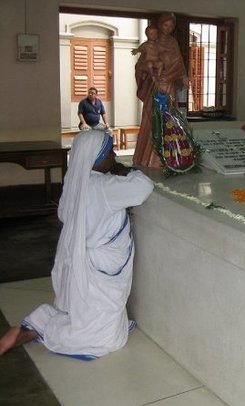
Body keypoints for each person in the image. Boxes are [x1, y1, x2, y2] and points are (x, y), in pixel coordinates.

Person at [0, 130, 154, 359]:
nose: (113, 156)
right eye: (109, 152)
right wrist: (127, 171)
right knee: (101, 335)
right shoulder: (105, 187)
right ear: (96, 158)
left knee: (85, 307)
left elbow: (64, 214)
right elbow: (144, 187)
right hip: (101, 265)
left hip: (81, 261)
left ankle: (34, 327)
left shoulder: (74, 182)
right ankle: (40, 330)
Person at [133, 13, 188, 169]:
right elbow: (141, 64)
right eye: (165, 25)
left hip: (169, 86)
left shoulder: (173, 42)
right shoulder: (152, 41)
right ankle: (147, 158)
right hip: (156, 86)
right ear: (160, 25)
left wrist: (183, 76)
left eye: (171, 26)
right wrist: (147, 69)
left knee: (168, 120)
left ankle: (169, 157)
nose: (168, 28)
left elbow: (179, 63)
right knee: (152, 119)